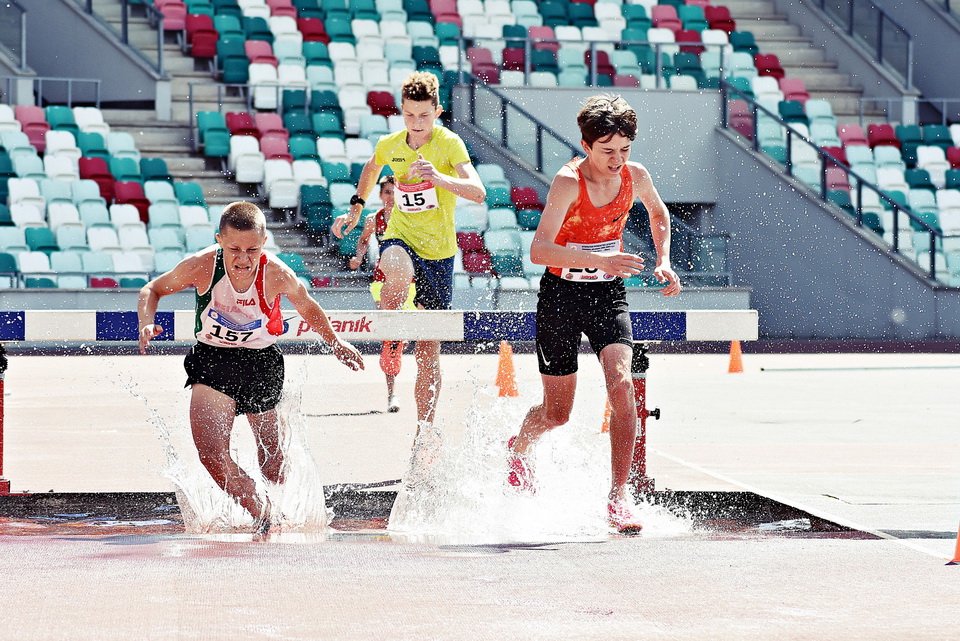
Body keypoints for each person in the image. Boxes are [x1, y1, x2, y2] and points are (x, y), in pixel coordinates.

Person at [506, 95, 682, 534]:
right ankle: (519, 449)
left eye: (624, 150)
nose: (617, 160)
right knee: (557, 413)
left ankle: (618, 498)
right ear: (586, 146)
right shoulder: (568, 183)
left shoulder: (635, 176)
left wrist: (663, 259)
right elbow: (539, 248)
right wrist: (601, 259)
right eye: (607, 151)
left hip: (608, 295)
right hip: (561, 296)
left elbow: (659, 214)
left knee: (621, 385)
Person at [138, 201, 364, 533]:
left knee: (274, 465)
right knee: (212, 454)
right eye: (235, 250)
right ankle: (262, 514)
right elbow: (152, 289)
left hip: (261, 364)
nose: (244, 259)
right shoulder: (202, 266)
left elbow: (306, 304)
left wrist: (335, 342)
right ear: (219, 240)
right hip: (213, 361)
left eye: (252, 250)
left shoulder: (275, 273)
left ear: (264, 243)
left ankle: (281, 502)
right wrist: (147, 322)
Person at [331, 71, 486, 486]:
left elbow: (478, 191)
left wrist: (438, 177)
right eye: (410, 115)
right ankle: (392, 333)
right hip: (402, 236)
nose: (417, 123)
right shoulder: (390, 145)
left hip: (440, 252)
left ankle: (424, 435)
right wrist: (356, 208)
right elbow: (369, 167)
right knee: (395, 268)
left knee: (430, 351)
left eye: (424, 115)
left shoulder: (448, 143)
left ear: (437, 111)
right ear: (401, 112)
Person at [345, 175, 416, 413]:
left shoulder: (411, 217)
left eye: (396, 192)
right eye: (387, 192)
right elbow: (364, 241)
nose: (392, 197)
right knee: (392, 336)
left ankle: (404, 375)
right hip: (382, 280)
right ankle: (392, 393)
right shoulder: (373, 219)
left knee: (402, 336)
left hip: (409, 281)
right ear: (380, 195)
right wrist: (358, 257)